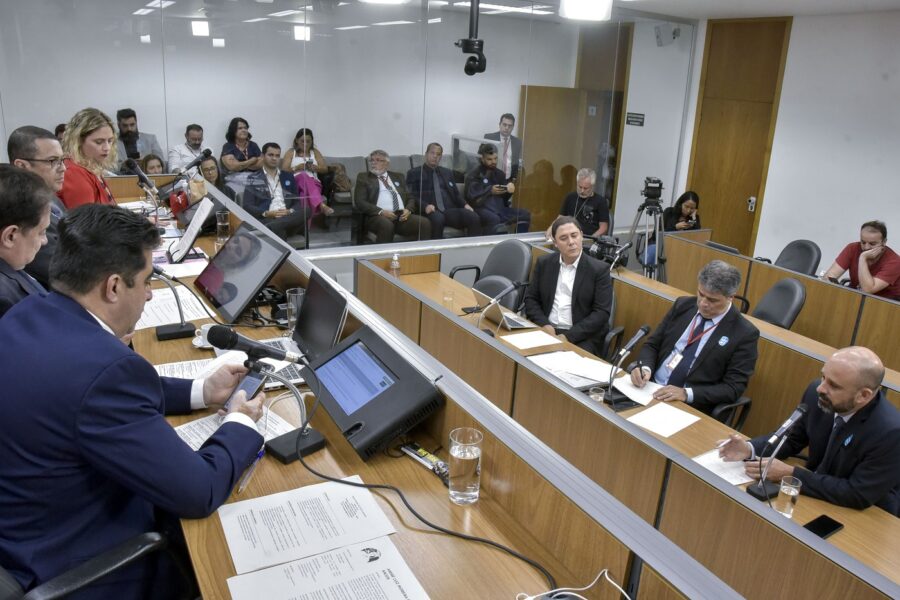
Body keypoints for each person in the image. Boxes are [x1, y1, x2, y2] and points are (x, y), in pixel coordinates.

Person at [0, 204, 265, 597]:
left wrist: (201, 392)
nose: (149, 293)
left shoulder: (26, 314)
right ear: (112, 287)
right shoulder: (104, 372)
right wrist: (240, 423)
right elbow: (199, 492)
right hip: (80, 562)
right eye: (144, 281)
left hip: (22, 528)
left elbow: (90, 396)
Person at [718, 347, 900, 516]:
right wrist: (749, 449)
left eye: (834, 385)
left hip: (867, 515)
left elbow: (857, 493)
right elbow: (791, 438)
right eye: (823, 377)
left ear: (864, 395)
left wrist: (791, 474)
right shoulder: (817, 393)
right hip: (815, 493)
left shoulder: (890, 432)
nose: (821, 388)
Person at [629, 260, 759, 416]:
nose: (703, 303)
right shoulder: (682, 305)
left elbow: (733, 388)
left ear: (731, 297)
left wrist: (686, 393)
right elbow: (652, 345)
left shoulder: (744, 333)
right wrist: (645, 368)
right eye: (701, 294)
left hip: (688, 406)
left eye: (712, 300)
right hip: (650, 388)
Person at [524, 216, 613, 355]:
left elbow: (601, 313)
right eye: (564, 238)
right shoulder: (544, 263)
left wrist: (568, 337)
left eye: (574, 235)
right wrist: (544, 325)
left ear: (581, 236)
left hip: (581, 336)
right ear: (555, 242)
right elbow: (531, 299)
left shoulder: (599, 270)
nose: (571, 242)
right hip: (547, 329)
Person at [7, 125, 66, 287]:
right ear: (21, 166)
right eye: (52, 161)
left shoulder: (51, 197)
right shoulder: (18, 212)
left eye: (62, 160)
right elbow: (62, 272)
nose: (63, 168)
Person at [0, 167, 52, 317]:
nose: (45, 241)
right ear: (10, 236)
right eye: (41, 232)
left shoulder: (12, 263)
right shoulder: (5, 301)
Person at [406, 142, 480, 239]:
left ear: (441, 157)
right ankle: (436, 253)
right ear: (426, 154)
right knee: (438, 219)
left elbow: (456, 194)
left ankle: (472, 250)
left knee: (473, 217)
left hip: (448, 210)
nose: (435, 156)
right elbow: (412, 195)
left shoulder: (447, 172)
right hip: (430, 211)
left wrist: (465, 205)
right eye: (432, 153)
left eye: (438, 154)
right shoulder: (414, 173)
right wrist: (425, 206)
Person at [354, 149, 430, 243]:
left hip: (400, 216)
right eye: (372, 160)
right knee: (386, 225)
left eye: (378, 160)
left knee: (424, 223)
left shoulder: (398, 176)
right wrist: (381, 212)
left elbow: (410, 196)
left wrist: (408, 210)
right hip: (377, 216)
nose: (373, 163)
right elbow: (360, 201)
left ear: (386, 163)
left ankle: (421, 255)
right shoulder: (364, 177)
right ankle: (383, 256)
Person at [243, 142, 307, 241]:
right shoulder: (254, 178)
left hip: (288, 218)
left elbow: (297, 202)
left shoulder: (288, 176)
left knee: (307, 210)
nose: (274, 158)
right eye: (270, 155)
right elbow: (247, 205)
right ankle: (276, 227)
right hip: (268, 218)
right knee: (279, 230)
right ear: (263, 156)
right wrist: (267, 213)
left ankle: (274, 226)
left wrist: (289, 211)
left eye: (277, 155)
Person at [57, 107, 118, 209]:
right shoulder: (73, 173)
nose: (107, 148)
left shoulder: (91, 166)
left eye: (110, 141)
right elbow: (87, 223)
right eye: (99, 142)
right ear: (78, 141)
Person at [822, 220, 900, 299]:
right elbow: (829, 276)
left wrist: (863, 258)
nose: (866, 247)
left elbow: (867, 290)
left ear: (884, 242)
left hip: (885, 305)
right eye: (863, 242)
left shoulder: (895, 261)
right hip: (855, 297)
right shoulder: (852, 248)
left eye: (872, 244)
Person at [464, 143, 531, 234]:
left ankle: (519, 241)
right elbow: (473, 199)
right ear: (482, 159)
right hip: (480, 210)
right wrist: (490, 191)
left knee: (525, 214)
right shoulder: (474, 175)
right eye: (489, 159)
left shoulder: (499, 174)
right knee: (494, 218)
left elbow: (504, 199)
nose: (493, 162)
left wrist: (509, 190)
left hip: (500, 209)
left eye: (495, 158)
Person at [281, 128, 334, 218]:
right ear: (297, 140)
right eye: (302, 141)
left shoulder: (315, 152)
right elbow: (284, 170)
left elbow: (325, 169)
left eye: (308, 141)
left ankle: (304, 229)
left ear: (312, 141)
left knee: (304, 196)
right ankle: (321, 205)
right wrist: (297, 168)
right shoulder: (291, 152)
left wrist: (315, 167)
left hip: (314, 183)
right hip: (295, 183)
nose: (305, 144)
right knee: (303, 175)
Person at [547, 168, 610, 238]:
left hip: (588, 239)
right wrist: (551, 228)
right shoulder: (570, 197)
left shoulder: (601, 201)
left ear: (592, 186)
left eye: (586, 188)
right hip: (569, 237)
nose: (582, 191)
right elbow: (560, 218)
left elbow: (603, 228)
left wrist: (592, 239)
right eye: (580, 187)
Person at [645, 191, 701, 265]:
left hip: (680, 249)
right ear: (681, 204)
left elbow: (698, 238)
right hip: (661, 245)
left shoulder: (694, 218)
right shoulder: (669, 212)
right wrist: (675, 227)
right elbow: (657, 233)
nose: (688, 210)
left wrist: (694, 218)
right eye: (686, 206)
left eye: (692, 208)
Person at [220, 117, 262, 195]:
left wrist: (240, 165)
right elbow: (233, 167)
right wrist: (251, 161)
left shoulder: (253, 145)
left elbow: (260, 164)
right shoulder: (228, 146)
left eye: (245, 128)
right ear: (233, 131)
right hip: (234, 180)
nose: (244, 130)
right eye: (240, 128)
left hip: (254, 179)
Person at [484, 113, 522, 180]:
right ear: (500, 125)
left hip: (509, 180)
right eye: (504, 125)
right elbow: (483, 159)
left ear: (513, 127)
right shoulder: (489, 138)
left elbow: (518, 163)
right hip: (492, 179)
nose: (507, 128)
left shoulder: (517, 142)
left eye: (510, 126)